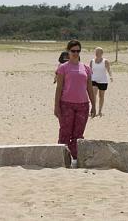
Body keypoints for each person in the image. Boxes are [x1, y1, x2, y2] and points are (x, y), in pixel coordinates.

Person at [54, 40, 96, 168]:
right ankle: (62, 159)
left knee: (78, 134)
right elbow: (59, 88)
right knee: (65, 132)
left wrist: (94, 105)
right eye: (73, 51)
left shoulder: (86, 68)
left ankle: (76, 159)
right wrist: (56, 106)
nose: (76, 53)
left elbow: (89, 88)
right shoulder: (63, 68)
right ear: (68, 51)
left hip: (82, 105)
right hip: (66, 104)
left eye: (78, 51)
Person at [89, 47, 113, 117]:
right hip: (94, 80)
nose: (96, 54)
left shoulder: (105, 61)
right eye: (96, 52)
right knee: (93, 95)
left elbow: (109, 70)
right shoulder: (92, 61)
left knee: (101, 96)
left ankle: (100, 111)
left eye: (98, 52)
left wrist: (111, 76)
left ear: (102, 53)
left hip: (103, 81)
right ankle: (93, 109)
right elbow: (89, 71)